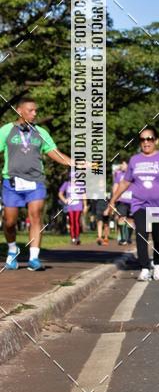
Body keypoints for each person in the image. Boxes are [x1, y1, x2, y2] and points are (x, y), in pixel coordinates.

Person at [0, 98, 82, 271]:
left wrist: (76, 163)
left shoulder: (41, 132)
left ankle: (34, 257)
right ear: (19, 111)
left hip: (35, 181)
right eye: (30, 110)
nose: (35, 113)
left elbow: (56, 154)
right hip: (12, 182)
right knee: (9, 221)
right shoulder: (6, 130)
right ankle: (12, 250)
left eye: (35, 110)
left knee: (36, 215)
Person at [104, 127, 159, 281]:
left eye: (149, 139)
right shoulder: (134, 160)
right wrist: (113, 199)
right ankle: (144, 268)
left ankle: (157, 265)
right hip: (139, 204)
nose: (146, 142)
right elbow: (125, 182)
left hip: (158, 205)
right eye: (143, 139)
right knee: (141, 233)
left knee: (158, 237)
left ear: (156, 141)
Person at [58, 174, 87, 245]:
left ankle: (77, 237)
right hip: (70, 205)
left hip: (78, 204)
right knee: (71, 221)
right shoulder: (66, 184)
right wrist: (64, 200)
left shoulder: (80, 184)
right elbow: (60, 193)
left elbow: (84, 195)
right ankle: (72, 238)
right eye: (72, 178)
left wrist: (85, 205)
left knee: (76, 220)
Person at [112, 159, 134, 245]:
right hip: (122, 200)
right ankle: (123, 238)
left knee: (130, 219)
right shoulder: (119, 175)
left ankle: (129, 238)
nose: (121, 166)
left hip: (132, 200)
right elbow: (115, 186)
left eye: (123, 164)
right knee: (121, 218)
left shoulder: (133, 174)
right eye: (121, 164)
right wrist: (115, 197)